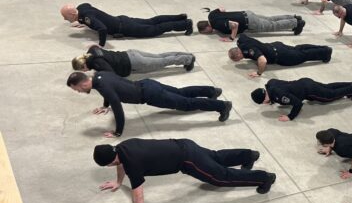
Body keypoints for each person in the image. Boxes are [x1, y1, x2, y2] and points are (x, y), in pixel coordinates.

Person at [93, 139, 275, 203]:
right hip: (184, 144)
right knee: (215, 156)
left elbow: (138, 194)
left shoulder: (131, 163)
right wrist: (118, 182)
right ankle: (249, 155)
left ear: (111, 161)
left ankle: (264, 178)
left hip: (187, 160)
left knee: (221, 177)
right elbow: (120, 163)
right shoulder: (123, 146)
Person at [68, 71, 232, 137]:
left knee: (186, 104)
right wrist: (105, 106)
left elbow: (118, 108)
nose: (79, 92)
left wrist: (118, 132)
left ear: (82, 85)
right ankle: (212, 91)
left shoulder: (102, 87)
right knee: (180, 92)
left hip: (150, 94)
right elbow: (110, 93)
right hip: (147, 84)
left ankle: (222, 106)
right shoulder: (98, 76)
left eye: (77, 90)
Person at [60, 3, 192, 47]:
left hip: (126, 28)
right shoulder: (82, 8)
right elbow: (88, 7)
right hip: (122, 19)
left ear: (72, 14)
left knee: (154, 29)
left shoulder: (86, 17)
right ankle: (180, 17)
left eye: (66, 17)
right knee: (151, 21)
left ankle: (185, 24)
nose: (65, 20)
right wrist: (84, 22)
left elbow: (102, 28)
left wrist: (100, 44)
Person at [251, 78, 352, 121]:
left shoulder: (279, 96)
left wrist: (290, 116)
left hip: (309, 91)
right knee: (327, 87)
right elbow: (280, 87)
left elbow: (298, 103)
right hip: (304, 82)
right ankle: (350, 84)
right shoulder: (270, 84)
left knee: (329, 96)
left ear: (264, 101)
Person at [228, 34, 332, 77]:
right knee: (298, 48)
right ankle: (323, 48)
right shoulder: (241, 42)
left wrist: (259, 73)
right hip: (276, 45)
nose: (240, 60)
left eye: (238, 59)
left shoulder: (250, 51)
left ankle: (326, 53)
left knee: (303, 55)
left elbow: (263, 61)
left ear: (239, 53)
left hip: (282, 56)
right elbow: (242, 35)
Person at [72, 45, 195, 76]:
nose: (85, 71)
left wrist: (100, 75)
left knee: (163, 62)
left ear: (83, 66)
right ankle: (187, 55)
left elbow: (111, 75)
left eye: (83, 70)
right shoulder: (91, 52)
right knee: (160, 56)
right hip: (131, 53)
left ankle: (189, 59)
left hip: (136, 63)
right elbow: (95, 46)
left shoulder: (97, 64)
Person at [196, 7, 304, 40]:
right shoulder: (211, 15)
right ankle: (294, 17)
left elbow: (235, 25)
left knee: (272, 26)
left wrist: (231, 38)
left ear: (206, 28)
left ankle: (296, 23)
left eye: (206, 32)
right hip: (246, 13)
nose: (208, 33)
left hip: (249, 23)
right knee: (270, 19)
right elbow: (222, 9)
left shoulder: (217, 25)